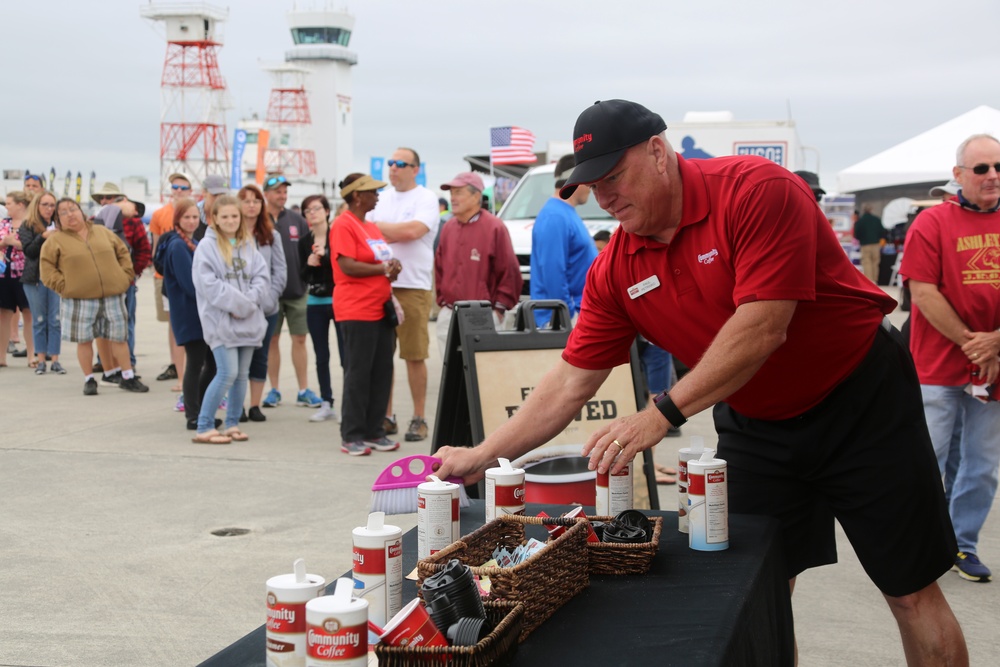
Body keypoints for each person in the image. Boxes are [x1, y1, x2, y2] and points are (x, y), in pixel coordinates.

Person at [436, 100, 967, 664]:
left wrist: (660, 413)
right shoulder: (617, 267)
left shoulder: (756, 189)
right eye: (595, 184)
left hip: (861, 400)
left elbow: (763, 326)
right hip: (757, 422)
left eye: (615, 176)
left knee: (909, 591)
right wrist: (486, 453)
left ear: (659, 153)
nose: (607, 197)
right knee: (757, 589)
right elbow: (570, 380)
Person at [900, 133, 1000, 584]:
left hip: (995, 367)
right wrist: (973, 342)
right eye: (981, 169)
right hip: (939, 366)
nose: (992, 176)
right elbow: (922, 292)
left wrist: (996, 343)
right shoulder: (932, 223)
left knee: (980, 465)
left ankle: (964, 544)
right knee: (927, 460)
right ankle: (918, 547)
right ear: (959, 175)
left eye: (999, 167)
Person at [40, 198, 148, 395]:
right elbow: (47, 270)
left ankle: (127, 376)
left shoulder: (102, 232)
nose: (70, 214)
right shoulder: (55, 240)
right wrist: (65, 287)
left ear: (81, 211)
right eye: (63, 212)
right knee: (85, 340)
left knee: (119, 338)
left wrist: (124, 277)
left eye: (73, 209)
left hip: (112, 295)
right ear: (58, 219)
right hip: (79, 298)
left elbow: (123, 252)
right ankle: (89, 379)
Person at [369, 148, 439, 442]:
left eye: (400, 164)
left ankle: (419, 417)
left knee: (413, 355)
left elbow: (413, 231)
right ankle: (386, 417)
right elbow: (365, 230)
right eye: (390, 163)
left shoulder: (426, 198)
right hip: (380, 284)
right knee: (383, 356)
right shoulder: (381, 197)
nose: (393, 168)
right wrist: (385, 231)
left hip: (412, 286)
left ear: (415, 168)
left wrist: (379, 229)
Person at [330, 173, 403, 456]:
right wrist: (383, 269)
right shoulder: (343, 225)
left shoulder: (371, 227)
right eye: (373, 191)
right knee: (358, 373)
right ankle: (352, 434)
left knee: (382, 371)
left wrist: (392, 266)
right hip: (356, 309)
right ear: (357, 196)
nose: (378, 195)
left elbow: (381, 260)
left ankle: (375, 430)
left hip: (380, 308)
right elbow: (347, 265)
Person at [191, 195, 270, 444]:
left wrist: (247, 305)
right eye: (224, 216)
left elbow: (261, 278)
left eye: (234, 216)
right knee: (226, 372)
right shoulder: (206, 247)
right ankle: (204, 425)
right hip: (220, 322)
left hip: (248, 321)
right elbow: (209, 286)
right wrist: (239, 304)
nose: (230, 221)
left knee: (242, 374)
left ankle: (232, 423)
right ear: (214, 219)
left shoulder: (249, 245)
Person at [434, 171, 522, 354]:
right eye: (451, 193)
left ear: (476, 196)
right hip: (450, 311)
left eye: (458, 192)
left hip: (483, 314)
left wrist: (498, 309)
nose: (453, 198)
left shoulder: (494, 227)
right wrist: (442, 300)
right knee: (450, 373)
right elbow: (440, 266)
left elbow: (509, 271)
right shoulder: (448, 227)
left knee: (482, 375)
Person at [261, 175, 322, 410]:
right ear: (266, 193)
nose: (282, 195)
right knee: (272, 340)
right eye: (277, 191)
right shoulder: (259, 221)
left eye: (285, 190)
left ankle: (303, 390)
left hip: (297, 290)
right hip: (269, 295)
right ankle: (273, 389)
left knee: (299, 339)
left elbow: (310, 253)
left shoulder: (297, 220)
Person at [162, 199, 216, 431]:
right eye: (187, 217)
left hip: (199, 312)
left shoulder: (193, 242)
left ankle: (201, 410)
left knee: (211, 364)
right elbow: (189, 283)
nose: (192, 221)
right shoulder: (177, 246)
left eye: (195, 217)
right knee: (197, 363)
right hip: (190, 313)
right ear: (178, 220)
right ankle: (193, 414)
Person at [529, 154, 598, 327]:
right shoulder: (555, 216)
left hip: (573, 315)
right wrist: (567, 315)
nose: (591, 185)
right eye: (588, 177)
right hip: (562, 320)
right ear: (575, 178)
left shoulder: (563, 213)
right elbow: (553, 271)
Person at [241, 184, 287, 422]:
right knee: (238, 356)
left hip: (266, 308)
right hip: (237, 308)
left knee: (260, 355)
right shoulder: (230, 235)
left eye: (256, 201)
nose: (251, 205)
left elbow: (280, 270)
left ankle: (255, 405)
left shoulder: (272, 235)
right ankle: (236, 404)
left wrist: (270, 298)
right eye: (246, 201)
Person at [299, 194, 342, 423]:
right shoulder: (305, 241)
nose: (312, 213)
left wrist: (324, 259)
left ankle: (350, 404)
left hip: (338, 300)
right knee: (321, 355)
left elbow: (342, 269)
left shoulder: (337, 236)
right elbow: (301, 276)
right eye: (307, 210)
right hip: (315, 302)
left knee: (347, 355)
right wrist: (309, 263)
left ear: (326, 211)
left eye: (316, 208)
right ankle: (326, 401)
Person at [149, 172, 194, 386]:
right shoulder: (160, 214)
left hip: (190, 276)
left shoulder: (197, 213)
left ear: (191, 191)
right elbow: (156, 248)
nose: (178, 191)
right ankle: (179, 373)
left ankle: (191, 371)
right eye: (175, 187)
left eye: (183, 188)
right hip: (165, 277)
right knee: (174, 325)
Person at [16, 191, 64, 374]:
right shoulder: (27, 226)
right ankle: (41, 359)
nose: (49, 209)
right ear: (37, 205)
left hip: (54, 278)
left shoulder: (59, 225)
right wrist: (43, 236)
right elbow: (29, 252)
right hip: (34, 278)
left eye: (52, 205)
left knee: (55, 319)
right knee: (39, 319)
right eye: (45, 205)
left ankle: (56, 359)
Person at [0, 192, 33, 367]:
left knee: (29, 313)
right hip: (5, 274)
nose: (6, 207)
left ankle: (32, 355)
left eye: (9, 203)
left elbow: (35, 247)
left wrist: (17, 244)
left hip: (26, 274)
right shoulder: (3, 224)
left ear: (20, 205)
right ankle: (1, 357)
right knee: (4, 314)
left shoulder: (31, 225)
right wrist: (5, 242)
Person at [854, 204, 884, 284]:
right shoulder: (876, 219)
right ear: (871, 210)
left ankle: (869, 280)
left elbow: (856, 233)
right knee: (875, 261)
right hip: (875, 243)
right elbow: (882, 231)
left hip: (865, 244)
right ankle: (875, 279)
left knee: (866, 261)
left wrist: (861, 239)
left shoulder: (860, 221)